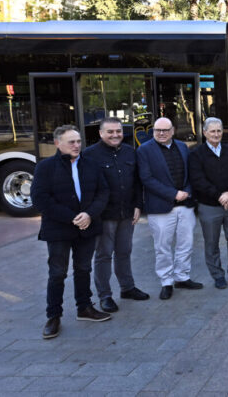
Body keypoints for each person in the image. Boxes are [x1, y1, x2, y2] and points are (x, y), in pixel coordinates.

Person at [32, 125, 111, 339]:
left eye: (78, 141)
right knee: (57, 273)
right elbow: (41, 199)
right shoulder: (45, 167)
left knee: (83, 268)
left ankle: (84, 308)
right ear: (58, 144)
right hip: (59, 229)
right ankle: (53, 316)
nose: (77, 145)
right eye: (71, 142)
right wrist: (72, 218)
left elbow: (103, 192)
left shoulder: (91, 164)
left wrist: (89, 215)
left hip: (87, 226)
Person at [82, 117, 149, 313]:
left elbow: (137, 182)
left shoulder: (129, 151)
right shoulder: (90, 155)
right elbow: (88, 189)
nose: (115, 135)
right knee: (103, 255)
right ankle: (105, 296)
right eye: (110, 132)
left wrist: (138, 205)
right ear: (101, 133)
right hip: (104, 216)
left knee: (124, 252)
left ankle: (127, 288)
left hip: (127, 213)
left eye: (118, 131)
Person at [138, 117, 201, 300]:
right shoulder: (144, 150)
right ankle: (166, 281)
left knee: (186, 244)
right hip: (161, 208)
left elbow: (190, 173)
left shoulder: (182, 147)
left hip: (185, 205)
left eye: (165, 130)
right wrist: (173, 194)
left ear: (173, 130)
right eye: (158, 130)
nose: (161, 133)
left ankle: (182, 276)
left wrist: (187, 192)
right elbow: (147, 179)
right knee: (162, 247)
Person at [188, 117, 228, 289]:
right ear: (205, 132)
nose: (216, 134)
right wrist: (219, 196)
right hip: (209, 206)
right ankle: (217, 275)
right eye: (212, 131)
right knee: (211, 242)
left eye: (219, 131)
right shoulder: (196, 154)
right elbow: (198, 180)